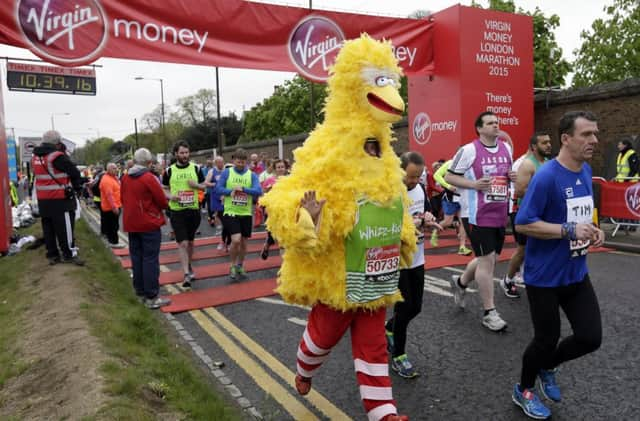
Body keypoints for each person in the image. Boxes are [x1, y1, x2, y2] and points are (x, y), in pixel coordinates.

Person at [510, 111, 604, 420]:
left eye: (595, 134)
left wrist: (594, 229)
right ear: (566, 138)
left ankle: (549, 366)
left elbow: (584, 212)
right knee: (545, 339)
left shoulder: (586, 171)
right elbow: (523, 224)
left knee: (590, 337)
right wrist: (566, 230)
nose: (594, 140)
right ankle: (523, 389)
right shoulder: (547, 177)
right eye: (586, 134)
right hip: (544, 277)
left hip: (576, 272)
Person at [445, 111, 515, 332]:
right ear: (480, 128)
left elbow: (507, 175)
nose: (496, 126)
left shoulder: (507, 148)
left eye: (497, 122)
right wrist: (474, 185)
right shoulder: (468, 150)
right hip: (477, 214)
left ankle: (460, 283)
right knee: (487, 262)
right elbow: (449, 177)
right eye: (491, 123)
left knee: (490, 257)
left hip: (499, 212)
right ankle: (489, 312)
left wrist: (512, 177)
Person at [385, 152, 441, 378]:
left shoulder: (419, 189)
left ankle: (390, 328)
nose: (414, 181)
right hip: (397, 259)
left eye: (418, 176)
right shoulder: (389, 193)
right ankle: (399, 356)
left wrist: (428, 220)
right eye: (410, 176)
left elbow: (424, 211)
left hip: (417, 257)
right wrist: (411, 224)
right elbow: (386, 227)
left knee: (415, 307)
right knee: (404, 307)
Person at [501, 131, 553, 299]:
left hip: (542, 214)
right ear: (534, 146)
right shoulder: (527, 165)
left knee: (542, 247)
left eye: (549, 142)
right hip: (525, 214)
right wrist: (543, 193)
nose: (548, 145)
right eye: (544, 142)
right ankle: (508, 280)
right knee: (522, 250)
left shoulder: (547, 163)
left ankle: (536, 279)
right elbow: (520, 190)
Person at [121, 148, 171, 309]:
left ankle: (140, 291)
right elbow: (162, 200)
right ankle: (152, 295)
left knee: (137, 258)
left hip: (131, 223)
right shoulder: (148, 178)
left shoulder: (126, 178)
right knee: (150, 259)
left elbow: (122, 197)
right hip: (148, 222)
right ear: (149, 163)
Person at [162, 141, 212, 289]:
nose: (184, 155)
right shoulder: (169, 171)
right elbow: (164, 189)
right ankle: (186, 274)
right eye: (181, 153)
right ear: (176, 154)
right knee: (182, 243)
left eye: (186, 152)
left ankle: (188, 265)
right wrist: (171, 196)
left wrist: (195, 186)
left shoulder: (196, 168)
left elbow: (204, 186)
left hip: (193, 210)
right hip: (177, 211)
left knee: (190, 242)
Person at [31, 130, 84, 266]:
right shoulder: (57, 156)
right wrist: (78, 188)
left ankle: (53, 254)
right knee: (65, 228)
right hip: (60, 199)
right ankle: (68, 254)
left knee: (48, 228)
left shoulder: (35, 157)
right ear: (57, 142)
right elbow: (74, 172)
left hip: (43, 200)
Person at [214, 148, 263, 279]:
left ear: (245, 162)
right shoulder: (227, 172)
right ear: (233, 160)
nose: (240, 164)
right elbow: (218, 188)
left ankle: (240, 265)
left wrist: (243, 189)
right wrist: (229, 191)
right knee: (235, 240)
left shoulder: (251, 175)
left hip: (246, 213)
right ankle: (232, 265)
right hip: (231, 211)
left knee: (244, 243)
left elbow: (258, 190)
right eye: (238, 161)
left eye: (242, 162)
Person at [432, 159, 473, 255]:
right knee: (448, 221)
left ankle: (462, 247)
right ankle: (436, 230)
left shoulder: (469, 164)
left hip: (463, 198)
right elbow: (436, 175)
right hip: (450, 198)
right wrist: (448, 186)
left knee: (463, 221)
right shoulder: (450, 163)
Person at [259, 158, 287, 260]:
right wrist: (265, 207)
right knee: (272, 235)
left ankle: (285, 260)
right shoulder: (269, 180)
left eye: (282, 167)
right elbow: (264, 195)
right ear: (275, 169)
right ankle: (266, 245)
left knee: (283, 236)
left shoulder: (289, 179)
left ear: (285, 168)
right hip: (272, 211)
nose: (280, 169)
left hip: (285, 211)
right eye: (278, 167)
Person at [99, 163, 125, 248]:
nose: (117, 169)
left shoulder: (112, 178)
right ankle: (114, 242)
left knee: (113, 225)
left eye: (116, 168)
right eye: (114, 168)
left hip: (114, 206)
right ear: (109, 170)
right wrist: (114, 207)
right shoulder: (107, 180)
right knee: (113, 226)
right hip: (111, 208)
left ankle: (112, 241)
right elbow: (109, 195)